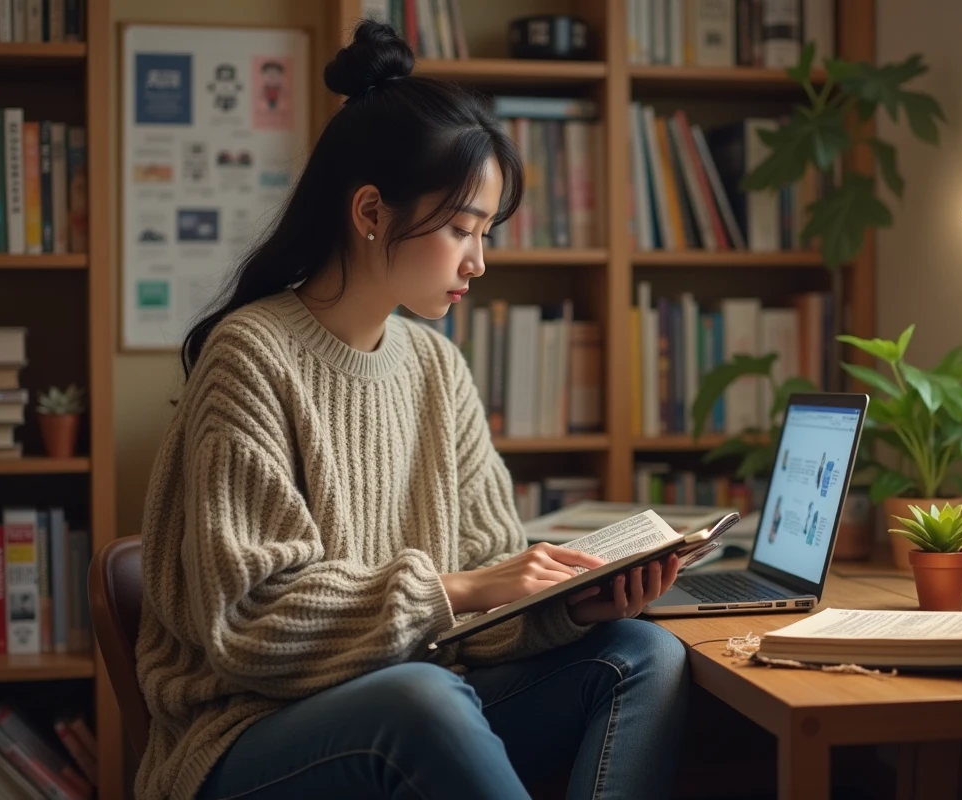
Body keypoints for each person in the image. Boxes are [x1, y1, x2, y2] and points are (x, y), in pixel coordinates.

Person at [134, 19, 690, 800]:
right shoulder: (250, 356)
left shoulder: (435, 365)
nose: (480, 260)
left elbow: (489, 620)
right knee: (421, 697)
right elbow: (251, 627)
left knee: (641, 653)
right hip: (249, 735)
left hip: (424, 699)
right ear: (370, 212)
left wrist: (567, 607)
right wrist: (462, 588)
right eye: (462, 228)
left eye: (486, 231)